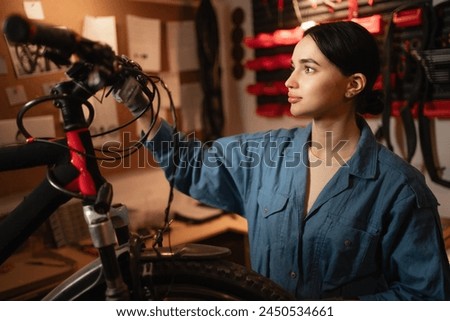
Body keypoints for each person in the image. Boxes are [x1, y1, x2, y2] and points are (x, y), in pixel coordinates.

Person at [129, 21, 450, 300]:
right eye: (293, 66)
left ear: (353, 84)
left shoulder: (400, 189)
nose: (289, 81)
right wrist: (136, 100)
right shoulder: (263, 155)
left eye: (308, 69)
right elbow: (190, 166)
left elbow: (427, 298)